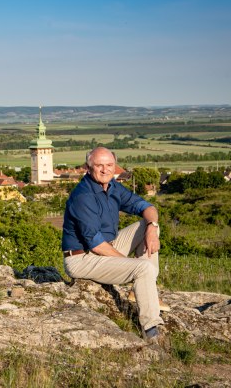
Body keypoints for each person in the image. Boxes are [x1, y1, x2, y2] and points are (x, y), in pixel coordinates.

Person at [62, 147, 168, 343]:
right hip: (81, 258)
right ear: (88, 167)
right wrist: (131, 264)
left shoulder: (112, 186)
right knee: (142, 268)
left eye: (109, 165)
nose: (105, 170)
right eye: (99, 165)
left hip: (107, 246)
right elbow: (96, 245)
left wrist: (152, 227)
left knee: (147, 225)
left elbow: (147, 207)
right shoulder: (83, 196)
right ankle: (152, 329)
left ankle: (145, 289)